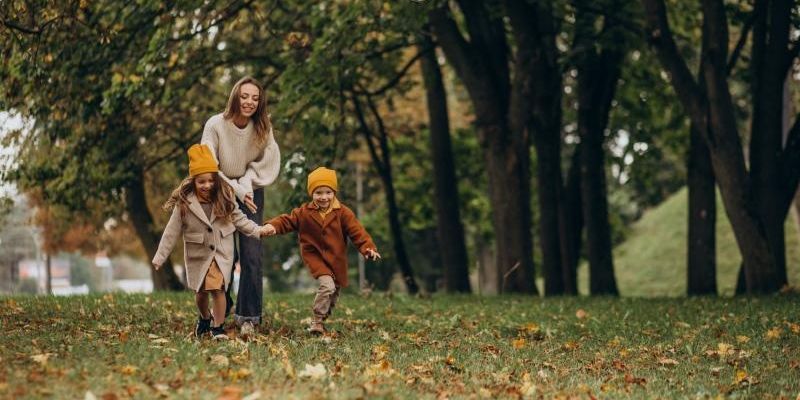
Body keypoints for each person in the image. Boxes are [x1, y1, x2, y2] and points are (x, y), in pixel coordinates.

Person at [152, 144, 269, 340]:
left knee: (218, 288)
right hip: (198, 254)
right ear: (193, 182)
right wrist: (160, 257)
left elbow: (241, 220)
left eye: (210, 181)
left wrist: (258, 230)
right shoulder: (184, 204)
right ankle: (205, 318)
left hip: (221, 252)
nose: (207, 185)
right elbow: (171, 232)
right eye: (201, 182)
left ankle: (218, 327)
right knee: (201, 293)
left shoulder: (224, 198)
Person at [201, 76, 280, 336]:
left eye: (255, 98)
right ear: (235, 96)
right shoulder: (216, 124)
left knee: (251, 254)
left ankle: (249, 316)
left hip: (251, 192)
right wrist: (233, 188)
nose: (249, 102)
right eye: (245, 96)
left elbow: (267, 162)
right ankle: (222, 309)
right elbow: (208, 163)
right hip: (220, 190)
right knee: (224, 253)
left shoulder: (263, 128)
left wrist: (245, 185)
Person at [262, 167, 381, 334]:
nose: (323, 197)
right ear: (312, 193)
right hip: (315, 256)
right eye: (318, 193)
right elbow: (287, 221)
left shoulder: (343, 213)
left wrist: (368, 248)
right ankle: (317, 322)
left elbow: (357, 232)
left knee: (333, 293)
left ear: (334, 192)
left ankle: (322, 319)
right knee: (327, 286)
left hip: (336, 258)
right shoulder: (304, 212)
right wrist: (272, 227)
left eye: (328, 192)